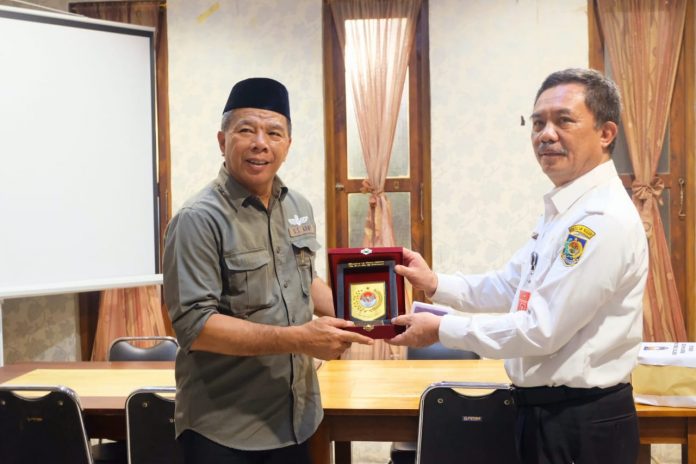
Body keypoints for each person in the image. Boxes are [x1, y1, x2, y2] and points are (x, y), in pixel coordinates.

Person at [388, 68, 648, 464]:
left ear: (606, 133)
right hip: (543, 413)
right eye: (538, 122)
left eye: (564, 120)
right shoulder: (565, 209)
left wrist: (442, 329)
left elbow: (541, 329)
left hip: (580, 422)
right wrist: (435, 283)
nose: (546, 134)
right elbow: (512, 286)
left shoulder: (601, 218)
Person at [163, 77, 373, 464]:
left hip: (296, 419)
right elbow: (196, 326)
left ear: (287, 146)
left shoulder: (298, 206)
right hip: (226, 429)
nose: (261, 142)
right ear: (222, 140)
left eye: (274, 132)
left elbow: (304, 280)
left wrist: (365, 312)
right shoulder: (198, 219)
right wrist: (299, 339)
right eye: (246, 130)